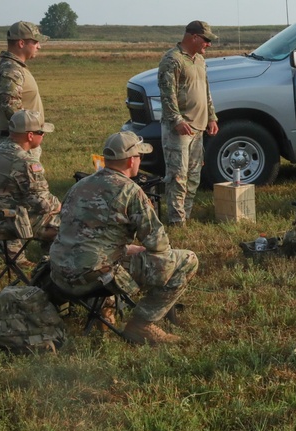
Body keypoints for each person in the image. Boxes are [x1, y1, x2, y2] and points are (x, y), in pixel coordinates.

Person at [49, 131, 199, 345]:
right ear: (131, 160)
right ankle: (142, 325)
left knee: (120, 255)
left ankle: (105, 313)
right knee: (187, 260)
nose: (140, 160)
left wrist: (126, 248)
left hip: (60, 275)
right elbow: (158, 244)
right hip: (95, 279)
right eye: (140, 156)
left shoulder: (79, 186)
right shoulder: (130, 191)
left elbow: (84, 236)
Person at [0, 110, 61, 267]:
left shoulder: (1, 149)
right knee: (70, 226)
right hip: (3, 222)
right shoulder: (24, 161)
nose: (43, 135)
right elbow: (42, 204)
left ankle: (50, 265)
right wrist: (62, 205)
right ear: (29, 136)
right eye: (41, 132)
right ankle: (58, 270)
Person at [158, 20, 219, 226]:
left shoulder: (200, 60)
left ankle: (186, 214)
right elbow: (167, 95)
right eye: (206, 40)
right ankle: (176, 220)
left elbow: (206, 90)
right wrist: (176, 120)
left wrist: (211, 116)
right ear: (194, 37)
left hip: (198, 127)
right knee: (178, 175)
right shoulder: (172, 60)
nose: (208, 44)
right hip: (180, 129)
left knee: (193, 175)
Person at [0, 21, 48, 151]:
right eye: (35, 42)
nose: (39, 47)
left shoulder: (12, 66)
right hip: (19, 143)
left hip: (21, 141)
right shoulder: (11, 69)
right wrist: (29, 135)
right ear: (21, 43)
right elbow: (10, 107)